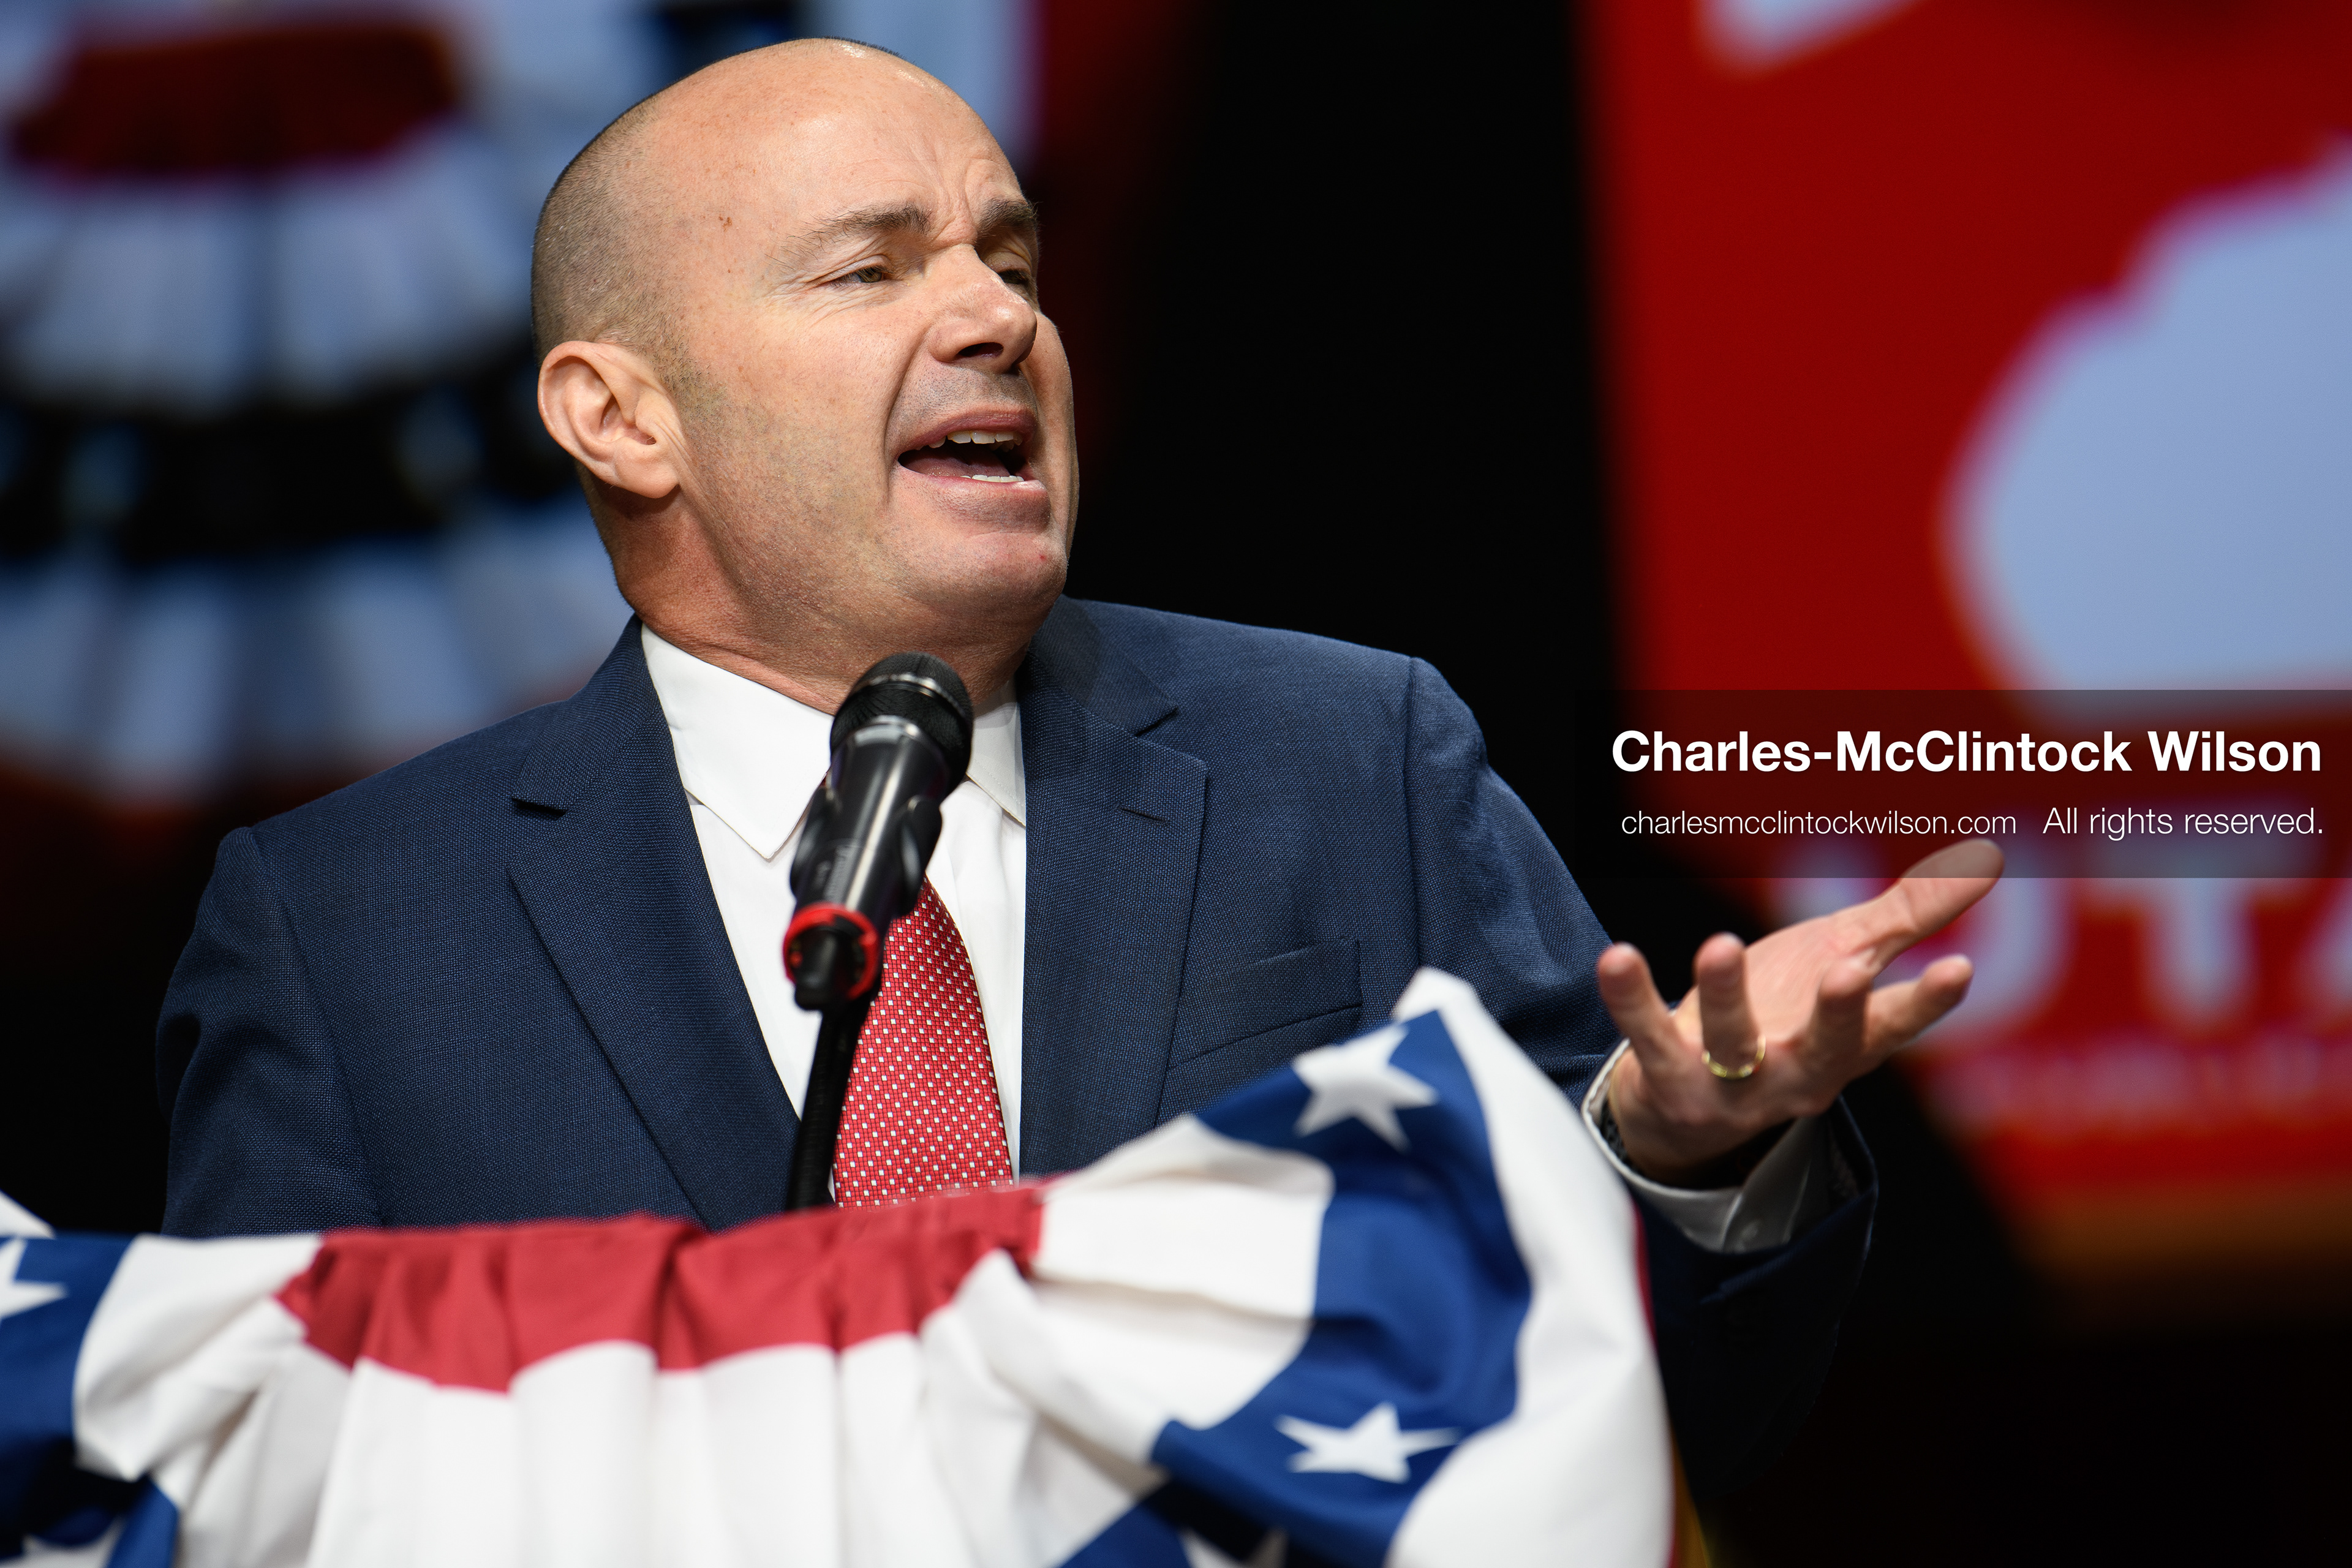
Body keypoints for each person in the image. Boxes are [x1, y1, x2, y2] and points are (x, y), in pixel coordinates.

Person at [156, 39, 1996, 1496]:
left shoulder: (1349, 766)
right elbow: (257, 1492)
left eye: (1009, 257)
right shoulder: (343, 936)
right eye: (871, 266)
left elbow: (1650, 1422)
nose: (996, 318)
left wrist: (1679, 1156)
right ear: (620, 415)